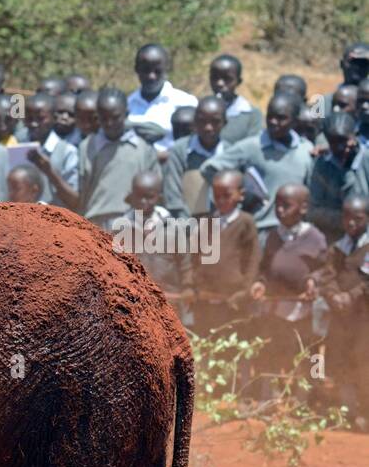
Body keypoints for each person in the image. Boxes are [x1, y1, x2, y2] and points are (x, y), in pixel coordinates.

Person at [250, 184, 328, 397]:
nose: (280, 210)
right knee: (274, 351)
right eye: (277, 205)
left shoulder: (315, 237)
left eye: (286, 205)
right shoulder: (273, 236)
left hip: (305, 312)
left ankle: (309, 398)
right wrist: (261, 283)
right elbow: (265, 269)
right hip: (277, 309)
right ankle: (271, 397)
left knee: (309, 354)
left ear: (303, 208)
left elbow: (325, 269)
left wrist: (313, 281)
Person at [199, 94, 314, 233]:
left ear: (295, 121)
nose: (273, 122)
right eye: (270, 116)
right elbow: (209, 168)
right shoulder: (252, 146)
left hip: (295, 232)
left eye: (281, 118)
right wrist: (240, 191)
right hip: (260, 228)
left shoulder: (306, 151)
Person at [112, 170, 194, 325]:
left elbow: (185, 261)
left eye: (149, 197)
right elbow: (114, 263)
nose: (143, 201)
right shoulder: (121, 227)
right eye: (139, 196)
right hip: (135, 301)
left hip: (169, 300)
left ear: (159, 197)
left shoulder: (172, 226)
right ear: (131, 196)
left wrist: (188, 287)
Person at [74, 88, 159, 228]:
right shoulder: (88, 146)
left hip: (132, 224)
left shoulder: (142, 148)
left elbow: (153, 190)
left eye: (115, 117)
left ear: (126, 114)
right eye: (104, 118)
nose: (109, 123)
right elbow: (81, 190)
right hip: (95, 223)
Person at [192, 170, 260, 333]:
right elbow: (196, 256)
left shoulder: (246, 223)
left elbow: (253, 259)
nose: (221, 201)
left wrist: (244, 290)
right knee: (205, 340)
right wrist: (196, 283)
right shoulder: (206, 222)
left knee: (231, 343)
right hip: (206, 298)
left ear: (241, 195)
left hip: (233, 299)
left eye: (227, 195)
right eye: (217, 196)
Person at [322, 195, 369, 426]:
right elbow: (328, 275)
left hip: (364, 320)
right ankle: (346, 412)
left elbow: (366, 281)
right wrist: (333, 295)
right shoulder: (337, 248)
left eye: (358, 219)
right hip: (341, 319)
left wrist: (350, 296)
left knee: (364, 363)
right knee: (340, 362)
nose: (351, 224)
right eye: (347, 218)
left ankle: (365, 412)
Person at [162, 97, 226, 218]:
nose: (208, 127)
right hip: (186, 224)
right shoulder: (180, 150)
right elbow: (173, 195)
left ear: (225, 123)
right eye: (202, 121)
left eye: (215, 121)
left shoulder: (231, 153)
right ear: (195, 122)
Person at [126, 43, 197, 151]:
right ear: (136, 69)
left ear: (167, 69)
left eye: (157, 71)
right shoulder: (127, 106)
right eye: (146, 70)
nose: (151, 76)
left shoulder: (186, 103)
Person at [309, 112, 361, 238]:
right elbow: (314, 210)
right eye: (333, 143)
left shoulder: (365, 160)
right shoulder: (322, 164)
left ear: (354, 136)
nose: (339, 147)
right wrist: (344, 220)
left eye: (344, 141)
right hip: (334, 236)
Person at [22, 93, 78, 206]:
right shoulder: (18, 145)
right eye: (29, 118)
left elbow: (75, 200)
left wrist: (50, 172)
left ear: (54, 118)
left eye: (40, 118)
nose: (33, 123)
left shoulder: (67, 152)